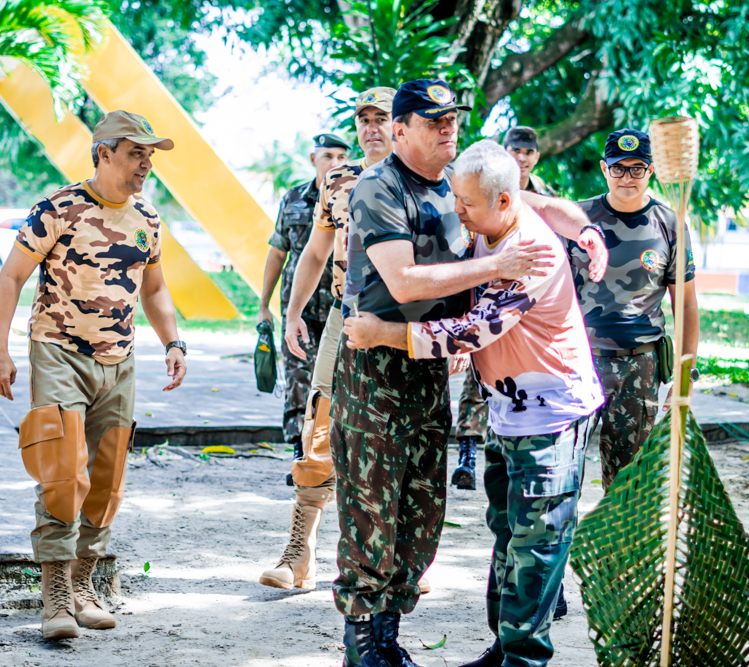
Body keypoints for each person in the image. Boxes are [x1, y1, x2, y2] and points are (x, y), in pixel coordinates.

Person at [331, 79, 608, 667]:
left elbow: (531, 201)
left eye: (452, 119)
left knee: (423, 508)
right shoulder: (379, 187)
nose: (447, 130)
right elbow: (402, 281)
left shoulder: (463, 180)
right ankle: (365, 641)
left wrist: (584, 228)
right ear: (401, 130)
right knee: (372, 507)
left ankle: (389, 632)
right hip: (379, 367)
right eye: (434, 122)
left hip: (433, 371)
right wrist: (495, 262)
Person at [0, 111, 188, 640]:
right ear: (104, 153)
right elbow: (10, 277)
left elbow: (155, 290)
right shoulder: (58, 208)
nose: (146, 164)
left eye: (150, 155)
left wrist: (173, 341)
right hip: (58, 352)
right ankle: (54, 594)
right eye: (136, 153)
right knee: (61, 471)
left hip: (118, 362)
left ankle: (82, 583)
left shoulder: (147, 217)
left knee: (106, 478)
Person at [259, 87, 398, 592]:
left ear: (402, 123)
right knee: (319, 428)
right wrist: (293, 313)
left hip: (405, 321)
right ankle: (300, 554)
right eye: (363, 119)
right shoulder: (339, 181)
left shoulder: (433, 180)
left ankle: (399, 556)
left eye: (380, 118)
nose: (370, 128)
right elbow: (315, 253)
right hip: (346, 316)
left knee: (396, 436)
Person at [566, 128, 700, 489]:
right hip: (578, 361)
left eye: (637, 168)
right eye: (618, 168)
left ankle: (621, 547)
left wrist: (684, 377)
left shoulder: (670, 224)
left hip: (638, 368)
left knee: (627, 482)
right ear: (603, 169)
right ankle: (562, 546)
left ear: (651, 170)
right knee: (561, 472)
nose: (627, 177)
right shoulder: (576, 219)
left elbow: (685, 303)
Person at [451, 125, 558, 493]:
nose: (522, 156)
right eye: (516, 149)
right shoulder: (479, 190)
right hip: (485, 295)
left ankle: (506, 454)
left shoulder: (545, 195)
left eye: (528, 152)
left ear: (536, 157)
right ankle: (467, 453)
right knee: (475, 382)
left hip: (526, 300)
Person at [259, 133, 350, 448]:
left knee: (335, 384)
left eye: (341, 157)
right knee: (299, 378)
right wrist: (263, 306)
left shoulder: (352, 194)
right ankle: (301, 451)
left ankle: (325, 449)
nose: (334, 163)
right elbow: (277, 253)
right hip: (300, 309)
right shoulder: (293, 198)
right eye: (328, 157)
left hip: (340, 308)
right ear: (314, 159)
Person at [503, 126, 555, 196]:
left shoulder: (545, 192)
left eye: (529, 153)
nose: (522, 159)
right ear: (504, 154)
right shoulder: (490, 190)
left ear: (536, 157)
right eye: (516, 151)